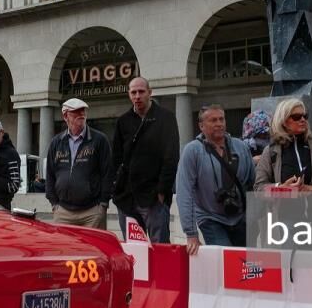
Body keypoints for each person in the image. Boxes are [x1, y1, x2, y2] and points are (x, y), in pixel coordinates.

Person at [177, 104, 255, 254]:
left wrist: (253, 218)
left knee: (245, 263)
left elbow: (253, 183)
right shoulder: (192, 151)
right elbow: (184, 192)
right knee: (226, 257)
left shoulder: (241, 147)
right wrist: (191, 233)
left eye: (221, 119)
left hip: (240, 217)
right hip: (210, 217)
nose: (219, 124)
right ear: (201, 126)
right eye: (213, 120)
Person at [110, 76, 179, 242]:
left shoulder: (166, 118)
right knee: (135, 252)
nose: (137, 96)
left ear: (150, 92)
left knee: (160, 251)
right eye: (133, 92)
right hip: (126, 198)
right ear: (129, 94)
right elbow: (116, 158)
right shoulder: (123, 121)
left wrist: (162, 192)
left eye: (141, 91)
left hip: (154, 198)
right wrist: (116, 190)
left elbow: (171, 158)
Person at [44, 98, 113, 229]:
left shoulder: (99, 139)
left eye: (83, 111)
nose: (81, 114)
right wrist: (54, 204)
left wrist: (103, 204)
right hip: (63, 212)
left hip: (92, 212)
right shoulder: (56, 142)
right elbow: (50, 174)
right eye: (76, 112)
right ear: (65, 116)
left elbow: (107, 173)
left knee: (94, 249)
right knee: (65, 249)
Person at [254, 98, 312, 192]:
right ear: (284, 121)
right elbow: (258, 188)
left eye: (305, 116)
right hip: (284, 206)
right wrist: (282, 189)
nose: (302, 120)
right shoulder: (270, 151)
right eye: (296, 116)